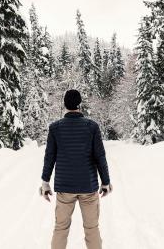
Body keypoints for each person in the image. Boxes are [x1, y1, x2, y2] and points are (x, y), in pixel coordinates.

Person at [40, 89, 113, 249]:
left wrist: (45, 182)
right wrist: (105, 182)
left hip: (65, 189)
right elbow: (100, 156)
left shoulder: (55, 128)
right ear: (80, 104)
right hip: (89, 187)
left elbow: (49, 157)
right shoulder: (92, 127)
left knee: (60, 229)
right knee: (92, 228)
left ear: (64, 104)